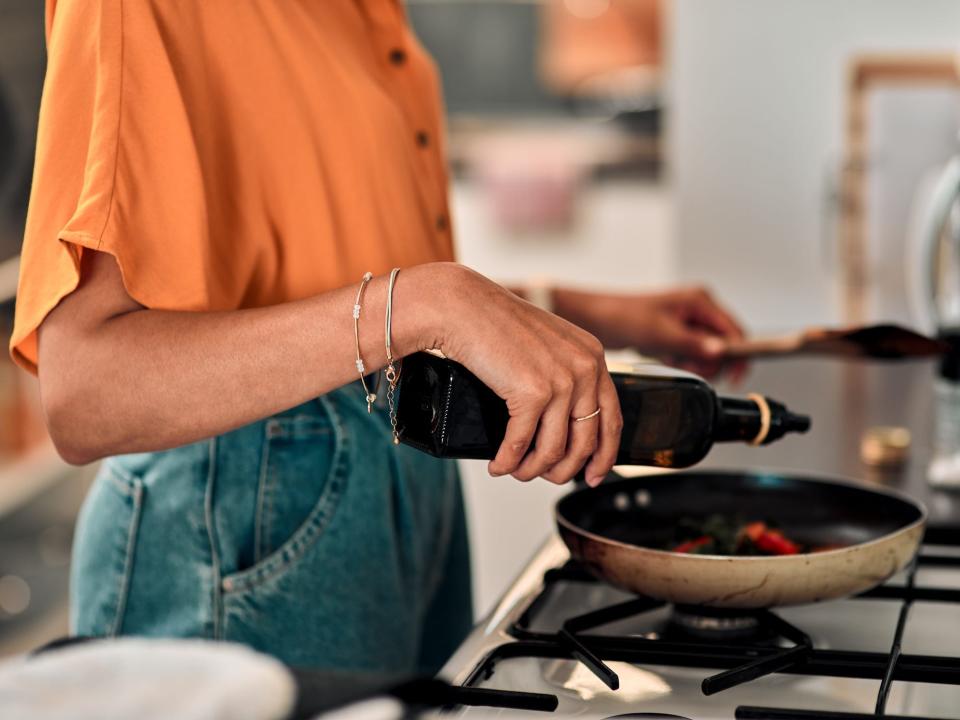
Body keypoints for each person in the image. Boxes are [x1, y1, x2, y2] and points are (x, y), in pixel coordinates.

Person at [11, 0, 745, 675]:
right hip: (244, 518)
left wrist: (577, 310)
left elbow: (350, 283)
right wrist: (431, 302)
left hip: (399, 480)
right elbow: (86, 392)